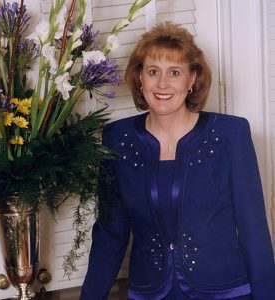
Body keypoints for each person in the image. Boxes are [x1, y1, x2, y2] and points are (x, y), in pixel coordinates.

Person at [80, 22, 275, 299]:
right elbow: (110, 234)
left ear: (192, 79)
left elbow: (253, 231)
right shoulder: (118, 139)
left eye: (174, 72)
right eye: (152, 72)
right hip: (149, 291)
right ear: (140, 78)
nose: (162, 84)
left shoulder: (230, 134)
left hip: (225, 291)